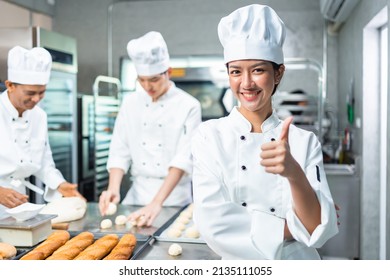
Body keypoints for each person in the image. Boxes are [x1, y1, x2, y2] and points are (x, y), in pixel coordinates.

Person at [191, 4, 338, 259]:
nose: (246, 83)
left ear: (278, 73)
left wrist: (293, 173)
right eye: (236, 71)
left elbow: (318, 229)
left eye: (258, 70)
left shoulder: (304, 142)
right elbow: (212, 223)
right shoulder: (209, 136)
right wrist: (296, 226)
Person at [99, 31, 202, 227]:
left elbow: (183, 159)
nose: (147, 86)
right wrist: (113, 187)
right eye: (142, 79)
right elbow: (119, 149)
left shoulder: (189, 105)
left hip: (173, 199)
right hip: (137, 194)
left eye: (154, 79)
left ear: (168, 72)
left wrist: (156, 203)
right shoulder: (130, 103)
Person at [0, 46, 84, 219]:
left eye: (42, 92)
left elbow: (44, 161)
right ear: (10, 86)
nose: (36, 99)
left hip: (19, 204)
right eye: (30, 93)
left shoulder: (39, 116)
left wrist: (60, 184)